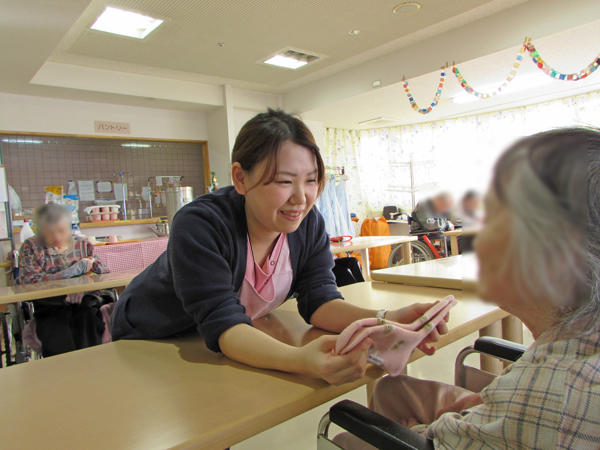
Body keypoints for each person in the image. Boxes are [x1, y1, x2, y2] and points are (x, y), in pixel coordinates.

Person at [111, 109, 449, 385]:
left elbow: (320, 301)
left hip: (215, 341)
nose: (301, 198)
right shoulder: (201, 225)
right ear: (240, 179)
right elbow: (223, 323)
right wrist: (301, 359)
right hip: (152, 341)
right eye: (284, 181)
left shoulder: (308, 223)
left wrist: (385, 320)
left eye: (312, 180)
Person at [335, 127, 600, 448]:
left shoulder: (556, 396)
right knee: (391, 389)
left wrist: (457, 422)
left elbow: (438, 441)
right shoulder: (574, 338)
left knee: (344, 438)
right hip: (505, 407)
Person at [18, 203, 111, 357]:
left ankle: (93, 369)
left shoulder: (81, 244)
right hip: (50, 305)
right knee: (58, 332)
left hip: (83, 301)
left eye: (61, 231)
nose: (57, 237)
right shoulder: (31, 247)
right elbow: (29, 280)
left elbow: (103, 271)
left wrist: (89, 269)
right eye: (50, 232)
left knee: (88, 323)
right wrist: (67, 276)